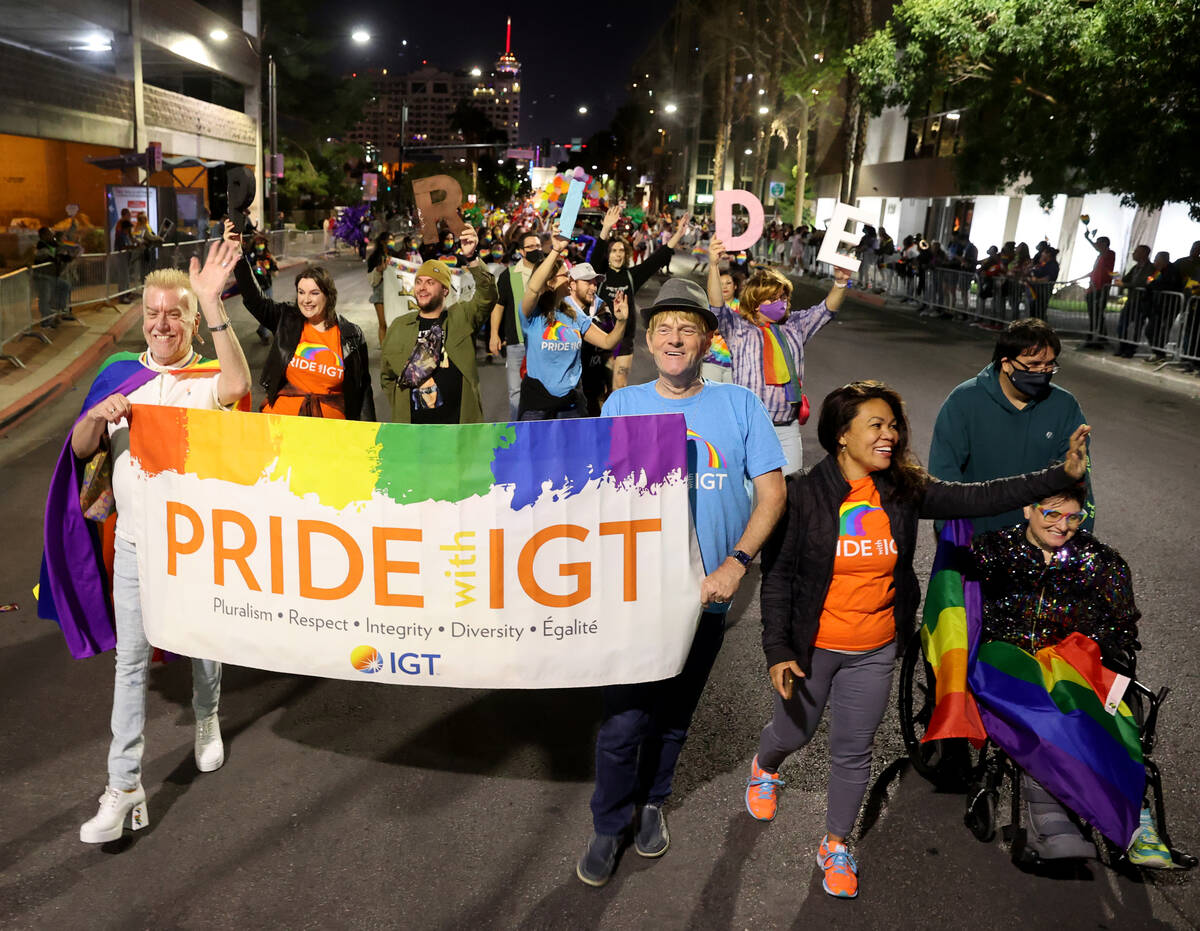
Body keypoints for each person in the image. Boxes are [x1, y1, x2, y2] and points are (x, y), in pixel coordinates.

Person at [752, 381, 1091, 898]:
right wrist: (777, 649)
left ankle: (836, 844)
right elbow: (776, 579)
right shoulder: (803, 495)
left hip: (875, 647)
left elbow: (981, 495)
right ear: (842, 435)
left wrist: (1058, 476)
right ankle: (765, 766)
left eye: (893, 426)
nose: (890, 436)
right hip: (813, 647)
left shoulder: (903, 490)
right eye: (876, 426)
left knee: (852, 749)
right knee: (794, 733)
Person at [576, 277, 788, 887]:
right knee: (622, 722)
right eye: (664, 328)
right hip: (634, 598)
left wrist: (736, 564)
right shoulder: (622, 407)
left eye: (688, 328)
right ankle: (608, 823)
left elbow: (772, 495)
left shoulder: (740, 405)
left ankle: (651, 804)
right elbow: (591, 498)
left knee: (673, 716)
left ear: (706, 340)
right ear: (648, 339)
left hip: (708, 596)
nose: (675, 339)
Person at [43, 240, 252, 843]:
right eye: (153, 313)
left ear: (190, 322)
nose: (162, 324)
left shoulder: (206, 377)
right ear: (143, 317)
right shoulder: (119, 376)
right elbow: (81, 450)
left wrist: (214, 301)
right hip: (134, 547)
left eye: (175, 314)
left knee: (202, 646)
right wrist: (95, 417)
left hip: (195, 549)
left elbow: (237, 385)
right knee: (129, 664)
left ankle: (208, 719)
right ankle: (124, 785)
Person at [970, 486, 1172, 867]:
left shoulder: (1101, 562)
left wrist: (1090, 649)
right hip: (1005, 659)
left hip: (1069, 664)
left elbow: (1123, 632)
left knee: (1105, 713)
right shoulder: (990, 551)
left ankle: (1134, 817)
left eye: (1073, 517)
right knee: (1050, 713)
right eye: (1052, 515)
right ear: (1028, 509)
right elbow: (960, 606)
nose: (1063, 526)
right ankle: (1053, 822)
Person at [929, 318, 1094, 534]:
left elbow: (1078, 486)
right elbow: (944, 478)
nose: (1042, 372)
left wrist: (1081, 540)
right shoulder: (963, 402)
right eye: (1033, 365)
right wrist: (951, 540)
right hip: (977, 540)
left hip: (1040, 541)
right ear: (1006, 363)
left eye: (1049, 365)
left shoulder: (1064, 406)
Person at [706, 236, 850, 475]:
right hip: (748, 428)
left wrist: (841, 283)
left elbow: (826, 311)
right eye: (772, 298)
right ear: (755, 301)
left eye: (783, 297)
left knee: (790, 491)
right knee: (750, 496)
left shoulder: (795, 325)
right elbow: (717, 308)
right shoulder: (738, 327)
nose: (780, 303)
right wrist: (712, 265)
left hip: (786, 428)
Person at [228, 220, 374, 421]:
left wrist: (368, 436)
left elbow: (362, 388)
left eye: (314, 293)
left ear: (328, 295)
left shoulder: (351, 334)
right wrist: (238, 254)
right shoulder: (286, 318)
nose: (306, 300)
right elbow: (254, 299)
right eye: (301, 292)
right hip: (281, 426)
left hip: (330, 433)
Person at [380, 226, 498, 423]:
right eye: (419, 282)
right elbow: (387, 376)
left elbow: (488, 296)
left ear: (444, 290)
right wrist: (401, 406)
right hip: (414, 432)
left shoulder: (461, 317)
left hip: (457, 431)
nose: (422, 288)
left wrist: (472, 258)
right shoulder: (399, 327)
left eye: (430, 282)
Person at [518, 241, 628, 420]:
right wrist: (555, 250)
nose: (570, 280)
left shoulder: (573, 314)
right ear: (550, 282)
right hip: (537, 406)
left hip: (571, 405)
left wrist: (622, 321)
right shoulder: (532, 314)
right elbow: (533, 287)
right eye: (565, 275)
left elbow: (609, 342)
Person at [592, 203, 689, 391]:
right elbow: (595, 258)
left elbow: (655, 260)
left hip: (624, 339)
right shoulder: (599, 275)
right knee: (601, 389)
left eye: (621, 251)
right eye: (614, 251)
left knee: (619, 386)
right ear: (608, 254)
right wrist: (606, 228)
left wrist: (678, 234)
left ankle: (617, 421)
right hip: (600, 337)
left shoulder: (631, 276)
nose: (618, 255)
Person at [489, 230, 545, 419]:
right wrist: (494, 334)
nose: (535, 250)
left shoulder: (549, 272)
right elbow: (499, 306)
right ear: (521, 251)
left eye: (538, 246)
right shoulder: (509, 275)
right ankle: (518, 432)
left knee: (543, 391)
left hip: (544, 343)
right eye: (530, 247)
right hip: (516, 342)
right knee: (515, 392)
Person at [699, 267, 742, 383]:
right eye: (720, 283)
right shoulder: (707, 307)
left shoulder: (743, 308)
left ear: (735, 286)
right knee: (710, 397)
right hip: (711, 361)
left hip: (736, 364)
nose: (724, 286)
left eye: (728, 283)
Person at [1113, 244, 1154, 358]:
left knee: (1136, 327)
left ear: (1144, 254)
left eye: (1137, 252)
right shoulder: (1135, 268)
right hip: (1131, 301)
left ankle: (1131, 349)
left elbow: (1146, 283)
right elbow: (1126, 278)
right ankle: (1122, 346)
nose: (1134, 254)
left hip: (1142, 302)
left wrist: (1125, 284)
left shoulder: (1151, 269)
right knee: (1122, 325)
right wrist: (1119, 281)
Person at [1082, 230, 1116, 347]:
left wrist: (1089, 239)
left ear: (1105, 244)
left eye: (1099, 243)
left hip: (1102, 288)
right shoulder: (1100, 257)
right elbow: (1094, 272)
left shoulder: (1110, 254)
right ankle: (1099, 336)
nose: (1097, 245)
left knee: (1097, 312)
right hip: (1093, 288)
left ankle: (1095, 336)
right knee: (1094, 313)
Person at [33, 227, 73, 325]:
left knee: (65, 286)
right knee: (44, 298)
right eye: (49, 234)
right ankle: (46, 321)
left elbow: (57, 256)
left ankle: (58, 312)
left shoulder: (51, 245)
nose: (52, 235)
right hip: (43, 276)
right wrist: (58, 259)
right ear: (43, 236)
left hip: (51, 276)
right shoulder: (41, 247)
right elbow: (47, 259)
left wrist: (67, 257)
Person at [249, 233, 279, 345]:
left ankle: (263, 331)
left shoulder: (268, 257)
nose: (259, 245)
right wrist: (256, 269)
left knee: (268, 310)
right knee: (262, 310)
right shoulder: (251, 256)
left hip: (267, 287)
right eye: (257, 243)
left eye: (261, 243)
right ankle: (263, 330)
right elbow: (247, 269)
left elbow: (276, 273)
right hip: (255, 288)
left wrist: (274, 265)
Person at [368, 230, 395, 347]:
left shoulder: (396, 256)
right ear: (383, 242)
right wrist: (379, 269)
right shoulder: (374, 258)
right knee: (383, 324)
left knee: (393, 324)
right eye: (390, 240)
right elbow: (371, 280)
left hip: (394, 295)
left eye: (393, 239)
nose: (392, 242)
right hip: (380, 295)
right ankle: (384, 352)